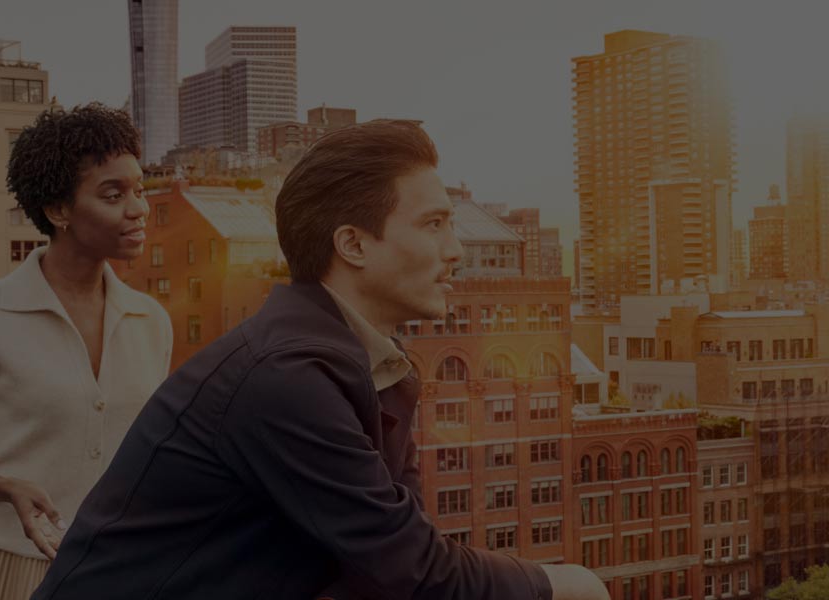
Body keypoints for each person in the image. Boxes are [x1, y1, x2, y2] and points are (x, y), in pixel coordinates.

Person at [32, 120, 609, 600]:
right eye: (433, 225)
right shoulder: (285, 374)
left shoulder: (367, 362)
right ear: (352, 244)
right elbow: (416, 571)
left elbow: (388, 554)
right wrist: (568, 585)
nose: (455, 251)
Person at [0, 103, 172, 600]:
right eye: (113, 194)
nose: (138, 208)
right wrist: (6, 487)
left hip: (109, 570)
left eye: (139, 189)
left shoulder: (151, 321)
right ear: (58, 211)